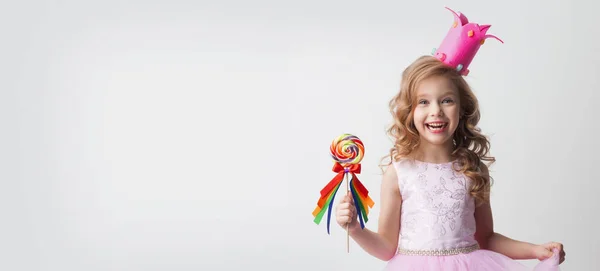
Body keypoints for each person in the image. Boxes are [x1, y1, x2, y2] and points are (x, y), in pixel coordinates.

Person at [334, 54, 566, 270]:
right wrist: (355, 229)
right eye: (423, 102)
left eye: (446, 100)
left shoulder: (473, 170)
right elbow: (386, 247)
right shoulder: (399, 173)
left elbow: (487, 238)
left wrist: (535, 250)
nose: (436, 111)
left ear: (462, 108)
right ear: (409, 111)